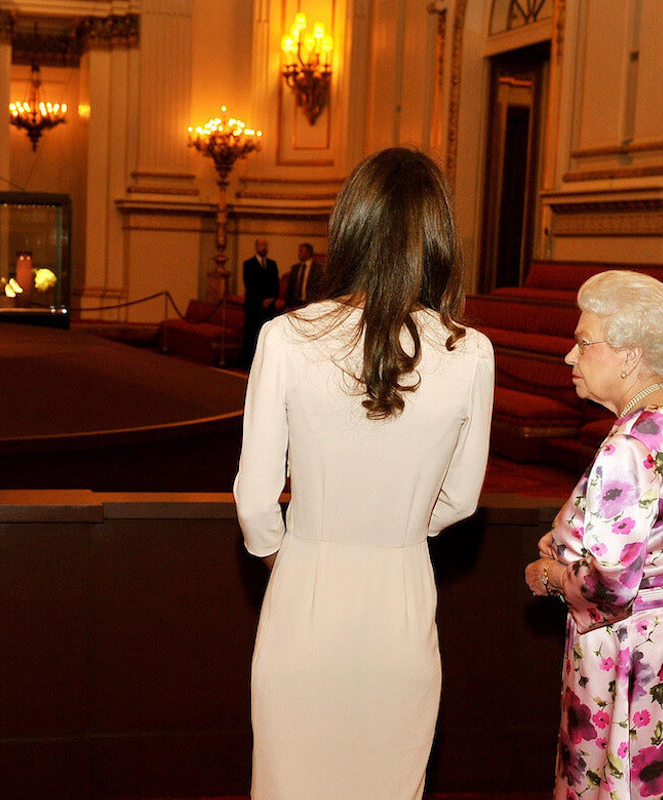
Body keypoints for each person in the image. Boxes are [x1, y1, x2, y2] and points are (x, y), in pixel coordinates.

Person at [233, 147, 494, 799]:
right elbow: (460, 501)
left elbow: (255, 500)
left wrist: (291, 556)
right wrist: (397, 530)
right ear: (439, 237)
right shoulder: (472, 352)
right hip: (401, 598)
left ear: (349, 228)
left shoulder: (287, 336)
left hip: (305, 597)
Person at [524, 270, 663, 799]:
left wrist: (549, 574)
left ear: (630, 354)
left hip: (630, 647)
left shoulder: (628, 445)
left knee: (617, 780)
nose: (571, 356)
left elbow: (608, 589)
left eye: (584, 342)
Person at [241, 237, 279, 368]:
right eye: (262, 245)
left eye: (266, 245)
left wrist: (271, 298)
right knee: (252, 335)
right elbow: (250, 285)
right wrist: (261, 300)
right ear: (256, 247)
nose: (264, 247)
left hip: (268, 307)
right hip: (254, 306)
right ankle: (248, 362)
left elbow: (275, 284)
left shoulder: (272, 264)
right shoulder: (248, 264)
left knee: (266, 335)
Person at [284, 242, 321, 309]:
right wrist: (288, 305)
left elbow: (319, 288)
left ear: (308, 253)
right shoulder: (295, 268)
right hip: (296, 303)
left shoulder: (317, 269)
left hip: (310, 303)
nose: (298, 253)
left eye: (300, 251)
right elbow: (290, 288)